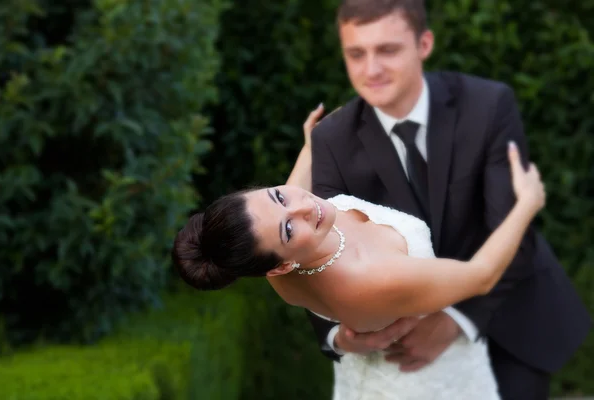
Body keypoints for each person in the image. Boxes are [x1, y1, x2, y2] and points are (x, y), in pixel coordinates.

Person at [305, 0, 591, 399]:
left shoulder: (488, 106)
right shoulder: (332, 139)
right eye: (356, 53)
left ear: (424, 44)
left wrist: (452, 320)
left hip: (502, 318)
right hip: (398, 342)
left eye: (387, 50)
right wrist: (343, 337)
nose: (371, 69)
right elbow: (318, 259)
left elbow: (513, 229)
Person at [174, 107, 546, 398]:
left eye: (277, 195)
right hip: (424, 381)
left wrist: (311, 142)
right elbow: (481, 277)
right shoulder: (370, 279)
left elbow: (291, 195)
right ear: (281, 265)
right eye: (289, 228)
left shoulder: (280, 259)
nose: (304, 207)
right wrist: (526, 204)